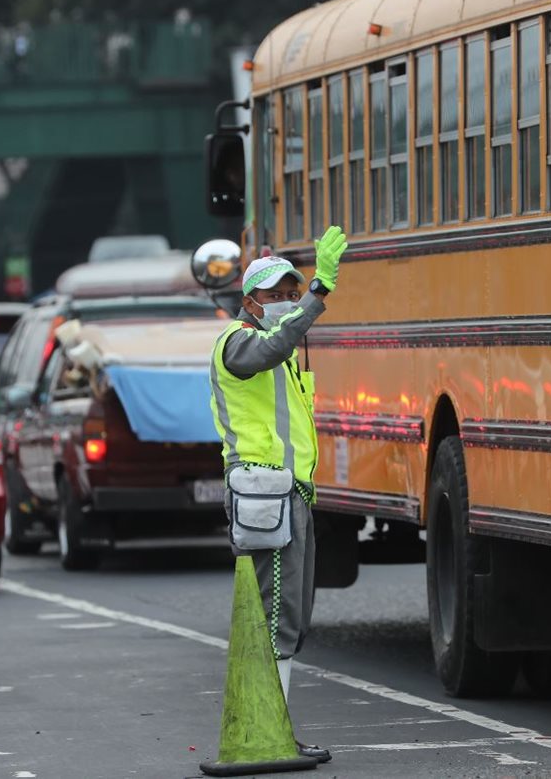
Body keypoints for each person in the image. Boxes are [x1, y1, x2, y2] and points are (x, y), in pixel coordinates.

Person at [208, 225, 347, 765]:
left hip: (286, 494)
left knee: (288, 613)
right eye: (276, 295)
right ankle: (268, 734)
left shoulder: (277, 350)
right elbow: (270, 346)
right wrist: (318, 295)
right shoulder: (239, 343)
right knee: (276, 614)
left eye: (294, 291)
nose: (288, 301)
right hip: (264, 494)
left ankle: (275, 729)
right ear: (249, 302)